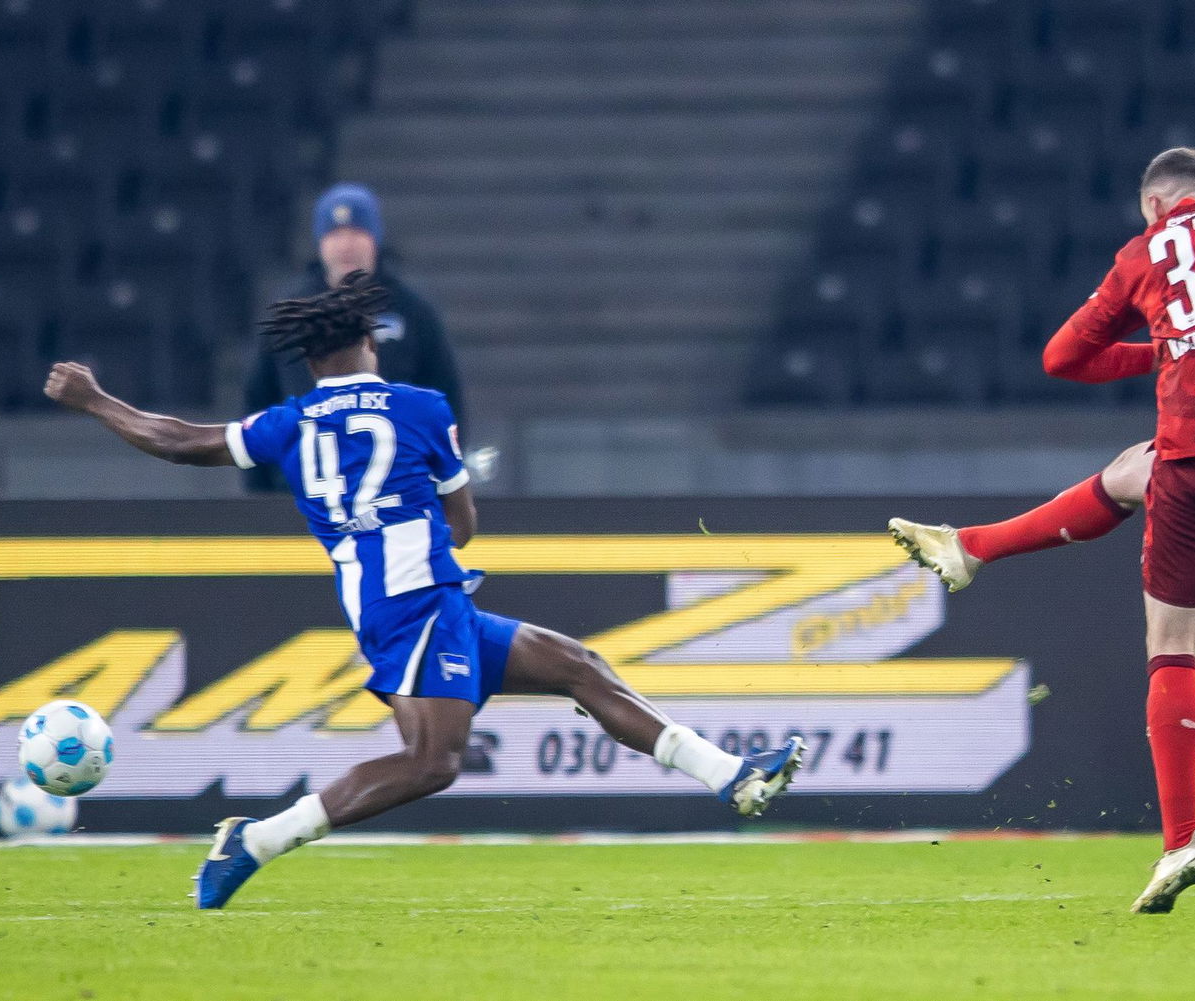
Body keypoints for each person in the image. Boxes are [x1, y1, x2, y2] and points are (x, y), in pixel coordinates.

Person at [45, 271, 803, 910]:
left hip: (408, 606)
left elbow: (182, 441)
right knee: (433, 762)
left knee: (576, 665)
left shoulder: (290, 421)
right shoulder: (421, 407)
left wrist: (96, 400)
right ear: (367, 342)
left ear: (310, 359)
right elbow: (464, 523)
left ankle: (731, 776)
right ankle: (257, 838)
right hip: (419, 603)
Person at [888, 147, 1195, 914]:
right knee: (1133, 466)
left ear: (1155, 207)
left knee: (1171, 649)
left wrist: (1160, 347)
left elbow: (1063, 358)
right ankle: (972, 546)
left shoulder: (1141, 254)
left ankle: (1182, 838)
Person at [243, 181, 466, 493]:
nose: (345, 245)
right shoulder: (291, 312)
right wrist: (260, 491)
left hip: (397, 487)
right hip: (304, 489)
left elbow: (447, 394)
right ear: (320, 242)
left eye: (356, 232)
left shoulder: (412, 311)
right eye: (334, 234)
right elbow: (258, 399)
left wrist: (443, 480)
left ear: (374, 239)